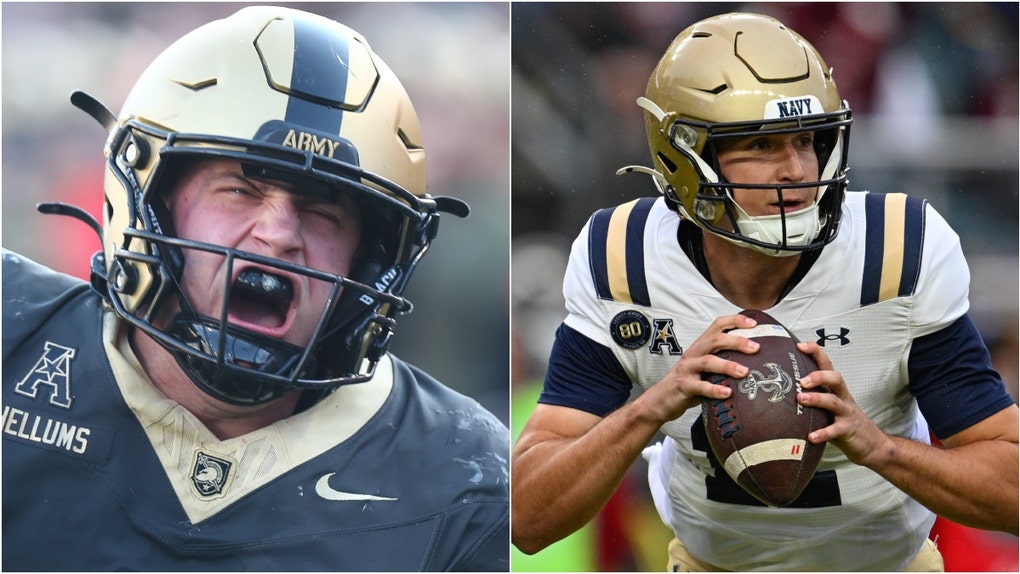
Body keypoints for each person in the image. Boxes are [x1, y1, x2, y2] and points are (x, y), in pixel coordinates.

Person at [2, 6, 509, 571]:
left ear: (370, 262)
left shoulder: (466, 482)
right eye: (240, 190)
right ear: (153, 202)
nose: (279, 235)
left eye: (322, 212)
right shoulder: (13, 332)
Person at [511, 11, 1018, 571]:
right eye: (760, 145)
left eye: (807, 139)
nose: (798, 170)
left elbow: (1012, 491)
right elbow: (528, 520)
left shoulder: (896, 251)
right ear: (683, 157)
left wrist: (883, 449)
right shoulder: (623, 257)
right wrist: (651, 408)